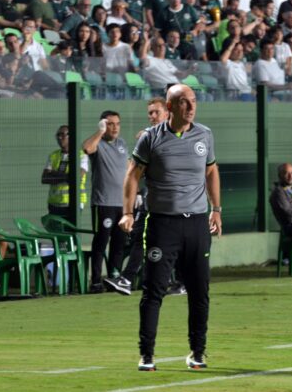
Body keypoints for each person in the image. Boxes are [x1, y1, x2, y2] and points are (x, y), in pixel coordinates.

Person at [119, 84, 221, 371]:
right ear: (171, 106)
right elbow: (132, 175)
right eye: (184, 102)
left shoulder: (205, 134)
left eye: (193, 101)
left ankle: (198, 352)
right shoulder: (151, 138)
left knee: (199, 291)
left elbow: (211, 170)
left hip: (198, 224)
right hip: (162, 225)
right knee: (154, 290)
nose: (191, 107)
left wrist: (216, 210)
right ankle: (147, 354)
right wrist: (128, 212)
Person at [104, 98, 169, 296]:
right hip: (152, 201)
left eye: (156, 112)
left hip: (173, 203)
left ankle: (178, 281)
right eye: (150, 113)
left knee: (166, 244)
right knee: (143, 241)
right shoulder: (149, 136)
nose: (152, 116)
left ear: (167, 113)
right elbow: (135, 170)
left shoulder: (173, 135)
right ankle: (128, 278)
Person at [82, 111, 130, 294]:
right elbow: (86, 148)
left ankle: (114, 279)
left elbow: (127, 168)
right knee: (101, 242)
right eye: (110, 124)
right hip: (103, 203)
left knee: (119, 243)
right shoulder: (98, 143)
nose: (115, 127)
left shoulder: (122, 144)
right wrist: (100, 132)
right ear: (103, 124)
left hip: (122, 204)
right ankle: (95, 281)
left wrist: (137, 193)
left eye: (117, 123)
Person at [41, 125, 89, 222]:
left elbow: (76, 177)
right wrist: (68, 177)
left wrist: (54, 173)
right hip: (54, 203)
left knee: (70, 233)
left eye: (63, 135)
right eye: (58, 135)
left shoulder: (81, 155)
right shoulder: (53, 155)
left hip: (73, 203)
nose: (59, 138)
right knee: (56, 233)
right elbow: (45, 179)